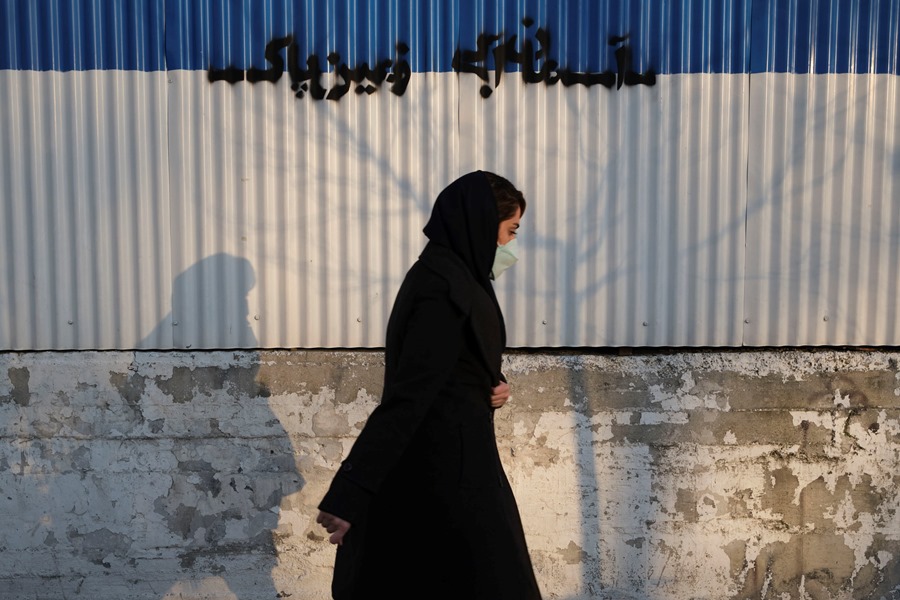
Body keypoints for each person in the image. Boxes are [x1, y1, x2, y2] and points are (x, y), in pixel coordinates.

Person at [316, 171, 542, 599]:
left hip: (455, 469)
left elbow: (452, 364)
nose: (511, 244)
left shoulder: (456, 278)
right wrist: (351, 491)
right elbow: (408, 396)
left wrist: (491, 383)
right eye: (510, 230)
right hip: (444, 480)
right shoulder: (443, 289)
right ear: (479, 223)